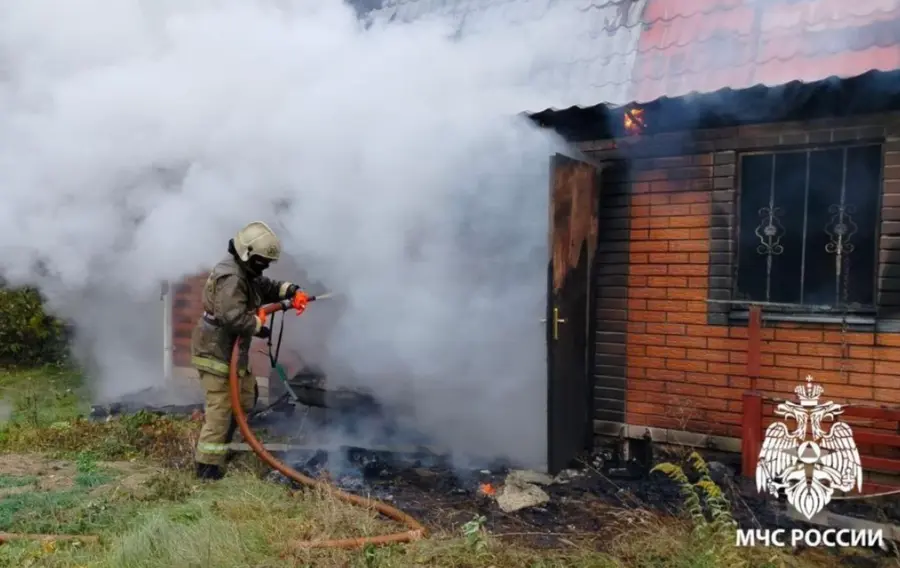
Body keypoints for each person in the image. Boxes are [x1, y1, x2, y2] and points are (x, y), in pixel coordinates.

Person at [190, 221, 308, 480]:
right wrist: (257, 325)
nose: (264, 267)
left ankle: (223, 448)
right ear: (247, 253)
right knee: (221, 408)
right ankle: (207, 467)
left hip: (232, 351)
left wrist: (292, 291)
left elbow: (264, 287)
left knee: (244, 399)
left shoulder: (245, 272)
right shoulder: (231, 278)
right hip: (216, 351)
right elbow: (232, 317)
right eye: (261, 262)